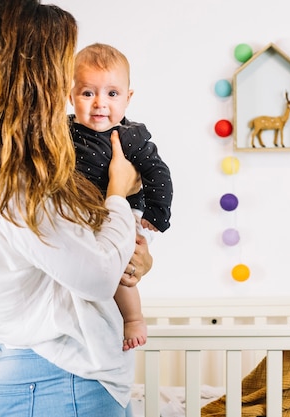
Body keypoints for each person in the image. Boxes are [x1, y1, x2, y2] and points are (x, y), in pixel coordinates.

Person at [0, 1, 150, 416]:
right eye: (62, 69)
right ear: (32, 77)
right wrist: (119, 191)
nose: (68, 82)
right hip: (64, 381)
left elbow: (87, 256)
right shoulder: (8, 174)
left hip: (62, 380)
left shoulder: (1, 161)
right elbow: (98, 275)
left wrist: (132, 256)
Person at [69, 43, 173, 351]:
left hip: (124, 214)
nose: (100, 103)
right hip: (81, 216)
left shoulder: (131, 137)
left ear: (128, 98)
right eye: (88, 93)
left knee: (122, 267)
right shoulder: (61, 132)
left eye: (112, 94)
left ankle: (133, 319)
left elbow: (158, 173)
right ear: (70, 94)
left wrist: (157, 213)